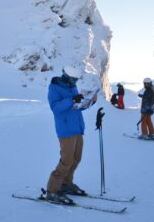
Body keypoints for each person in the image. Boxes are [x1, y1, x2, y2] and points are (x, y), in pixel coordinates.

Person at [46, 65, 97, 204]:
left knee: (76, 158)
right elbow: (55, 108)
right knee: (66, 161)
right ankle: (52, 190)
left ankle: (66, 184)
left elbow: (76, 108)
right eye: (73, 80)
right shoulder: (54, 87)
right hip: (66, 129)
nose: (75, 83)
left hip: (77, 128)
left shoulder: (71, 87)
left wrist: (89, 102)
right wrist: (72, 99)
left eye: (76, 80)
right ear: (67, 77)